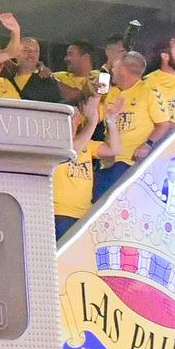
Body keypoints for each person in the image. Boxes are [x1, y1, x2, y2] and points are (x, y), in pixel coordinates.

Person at [96, 52, 174, 200]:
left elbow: (163, 125)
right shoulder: (112, 93)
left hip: (131, 163)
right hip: (107, 161)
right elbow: (93, 118)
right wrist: (95, 94)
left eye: (115, 66)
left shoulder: (148, 91)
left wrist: (148, 144)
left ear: (124, 69)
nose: (112, 70)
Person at [54, 93, 111, 241]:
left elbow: (115, 149)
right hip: (61, 213)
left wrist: (110, 119)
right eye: (69, 114)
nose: (73, 118)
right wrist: (92, 121)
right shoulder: (55, 142)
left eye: (75, 114)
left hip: (84, 215)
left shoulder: (88, 144)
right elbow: (72, 151)